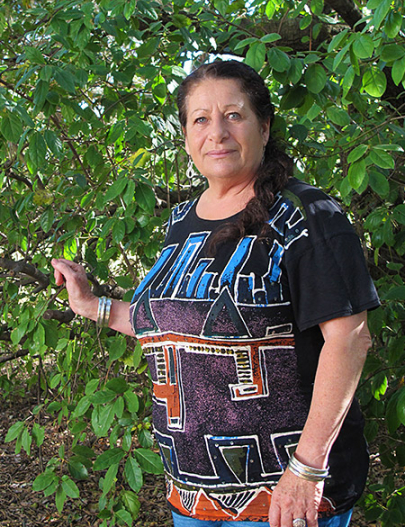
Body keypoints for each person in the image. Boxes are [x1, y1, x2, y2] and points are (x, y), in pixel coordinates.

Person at [51, 60, 380, 527]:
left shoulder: (307, 214)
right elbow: (171, 326)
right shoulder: (181, 221)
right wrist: (91, 305)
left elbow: (349, 339)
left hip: (283, 498)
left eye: (234, 115)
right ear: (186, 137)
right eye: (201, 119)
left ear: (264, 128)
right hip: (191, 493)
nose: (217, 133)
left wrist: (306, 470)